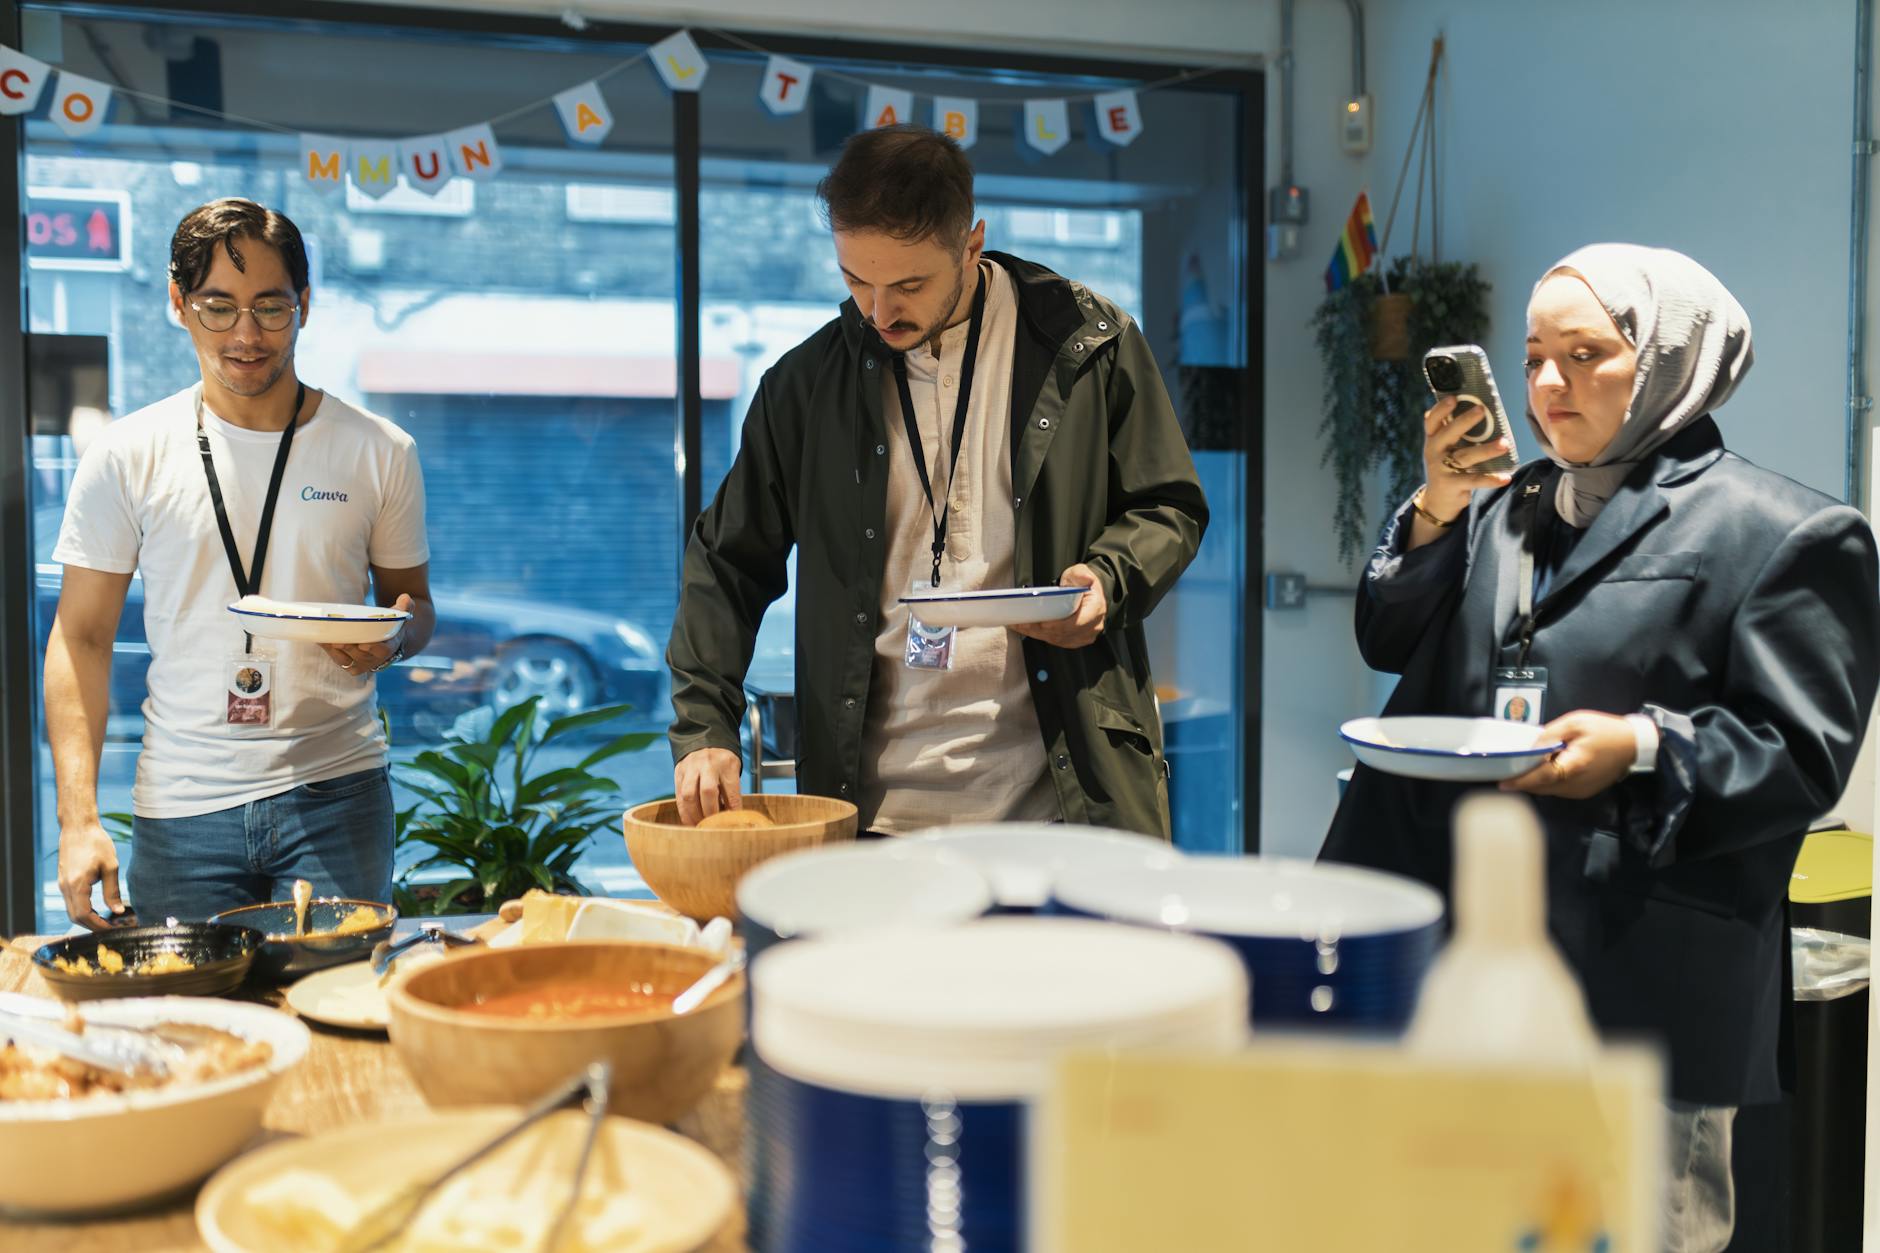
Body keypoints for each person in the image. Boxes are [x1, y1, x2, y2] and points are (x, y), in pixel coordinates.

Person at [1320, 244, 1880, 1251]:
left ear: (1669, 360)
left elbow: (1797, 755)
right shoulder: (1504, 507)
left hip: (1637, 975)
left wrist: (1636, 742)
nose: (1544, 384)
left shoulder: (1787, 532)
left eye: (1583, 354)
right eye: (1532, 355)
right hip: (1467, 959)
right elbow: (1391, 637)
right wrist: (1438, 505)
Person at [667, 125, 1206, 836]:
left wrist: (1108, 579)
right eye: (856, 280)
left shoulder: (1087, 346)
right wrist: (706, 724)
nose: (878, 311)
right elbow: (729, 559)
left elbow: (1168, 503)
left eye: (909, 284)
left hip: (1059, 811)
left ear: (971, 244)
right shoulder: (805, 386)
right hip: (870, 821)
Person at [45, 198, 435, 928]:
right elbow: (80, 639)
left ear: (305, 305)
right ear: (178, 302)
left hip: (336, 791)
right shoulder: (128, 453)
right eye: (218, 307)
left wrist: (398, 637)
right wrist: (77, 818)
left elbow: (414, 602)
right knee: (190, 1032)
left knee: (334, 1013)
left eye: (271, 307)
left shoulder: (379, 451)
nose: (247, 335)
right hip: (182, 805)